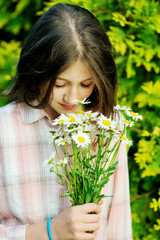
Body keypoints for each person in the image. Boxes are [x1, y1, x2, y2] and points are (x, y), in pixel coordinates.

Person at [0, 3, 132, 240]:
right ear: (36, 70)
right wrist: (49, 231)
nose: (73, 98)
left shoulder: (108, 125)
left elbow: (118, 227)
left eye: (86, 84)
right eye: (60, 84)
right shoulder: (4, 130)